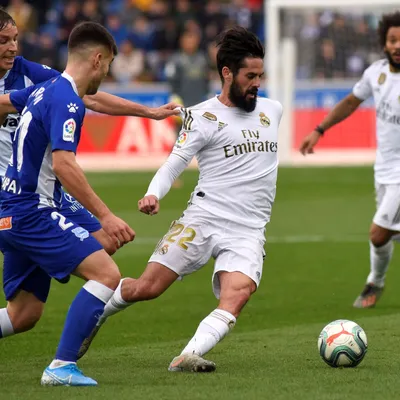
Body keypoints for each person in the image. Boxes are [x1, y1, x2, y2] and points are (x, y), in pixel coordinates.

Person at [78, 26, 283, 372]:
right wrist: (151, 194)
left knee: (239, 293)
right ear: (227, 73)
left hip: (248, 229)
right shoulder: (202, 117)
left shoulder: (272, 110)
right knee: (147, 287)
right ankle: (96, 315)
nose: (257, 83)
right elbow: (173, 164)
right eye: (250, 76)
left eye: (260, 75)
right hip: (202, 219)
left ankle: (187, 355)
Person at [0, 7, 179, 340]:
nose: (12, 48)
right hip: (19, 196)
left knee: (24, 313)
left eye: (15, 39)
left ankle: (54, 255)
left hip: (41, 189)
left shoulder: (31, 75)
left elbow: (85, 94)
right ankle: (66, 354)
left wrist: (149, 112)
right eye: (4, 41)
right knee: (102, 269)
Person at [0, 21, 135, 386]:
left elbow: (6, 105)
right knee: (106, 274)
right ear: (97, 59)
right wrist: (105, 215)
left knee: (24, 313)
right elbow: (64, 164)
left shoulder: (43, 91)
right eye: (107, 66)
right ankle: (60, 367)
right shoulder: (66, 98)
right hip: (32, 211)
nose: (105, 74)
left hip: (10, 211)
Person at [299, 11, 400, 309]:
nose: (397, 45)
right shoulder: (375, 74)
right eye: (392, 40)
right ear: (384, 43)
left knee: (377, 232)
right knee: (385, 237)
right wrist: (319, 129)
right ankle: (376, 282)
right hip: (382, 169)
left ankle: (374, 282)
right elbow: (350, 102)